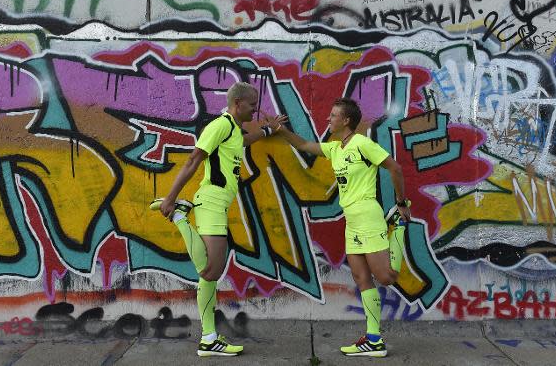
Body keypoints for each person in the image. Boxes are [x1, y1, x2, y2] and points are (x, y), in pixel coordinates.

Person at [151, 81, 285, 357]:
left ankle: (209, 338)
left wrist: (270, 130)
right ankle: (178, 216)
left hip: (218, 203)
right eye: (252, 105)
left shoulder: (234, 130)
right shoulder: (220, 126)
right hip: (210, 201)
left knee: (209, 275)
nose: (255, 109)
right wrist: (169, 198)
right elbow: (193, 160)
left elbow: (245, 141)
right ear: (237, 105)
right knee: (210, 271)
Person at [270, 97, 410, 358]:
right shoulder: (336, 148)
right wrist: (281, 132)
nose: (328, 119)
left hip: (368, 216)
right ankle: (373, 340)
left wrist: (401, 203)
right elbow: (303, 145)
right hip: (352, 221)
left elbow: (395, 168)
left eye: (333, 115)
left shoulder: (362, 144)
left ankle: (399, 227)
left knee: (387, 277)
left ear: (346, 120)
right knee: (361, 278)